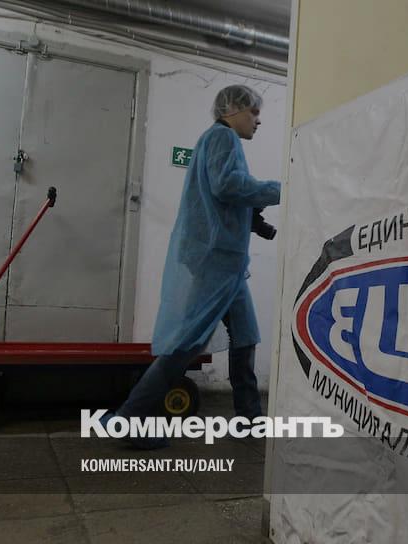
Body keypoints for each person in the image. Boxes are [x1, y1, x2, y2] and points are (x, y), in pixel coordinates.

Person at [106, 85, 282, 449]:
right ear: (232, 109)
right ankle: (129, 417)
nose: (258, 120)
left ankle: (250, 420)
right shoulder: (222, 137)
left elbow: (224, 201)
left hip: (229, 266)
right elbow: (227, 185)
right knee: (188, 344)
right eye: (253, 112)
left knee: (246, 337)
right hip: (214, 263)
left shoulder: (220, 143)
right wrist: (283, 189)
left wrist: (254, 219)